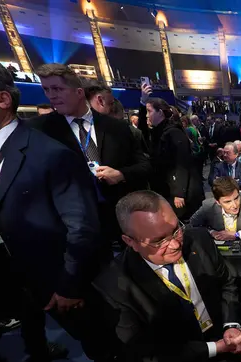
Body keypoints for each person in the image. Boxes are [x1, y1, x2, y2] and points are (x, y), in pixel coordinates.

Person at [0, 44, 109, 362]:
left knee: (96, 340)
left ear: (2, 99)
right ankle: (40, 358)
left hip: (61, 283)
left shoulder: (50, 155)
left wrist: (69, 285)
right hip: (17, 278)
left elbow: (82, 227)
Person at [93, 191, 241, 362]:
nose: (175, 244)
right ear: (130, 241)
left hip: (222, 345)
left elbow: (227, 284)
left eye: (176, 230)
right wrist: (215, 347)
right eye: (159, 241)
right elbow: (143, 352)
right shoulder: (113, 285)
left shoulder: (200, 239)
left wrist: (231, 325)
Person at [30, 63, 151, 243]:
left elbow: (145, 166)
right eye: (46, 89)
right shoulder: (39, 130)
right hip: (72, 228)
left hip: (117, 220)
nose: (51, 96)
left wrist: (121, 174)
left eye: (57, 89)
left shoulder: (116, 127)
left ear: (79, 92)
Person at [139, 84, 204, 220]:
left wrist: (179, 193)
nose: (147, 115)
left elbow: (182, 163)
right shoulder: (159, 131)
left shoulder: (174, 132)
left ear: (160, 113)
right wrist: (142, 102)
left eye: (149, 111)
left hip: (177, 190)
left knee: (178, 222)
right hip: (165, 187)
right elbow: (142, 132)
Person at [190, 177, 241, 241]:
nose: (234, 205)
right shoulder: (208, 206)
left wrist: (237, 234)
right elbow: (192, 224)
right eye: (227, 202)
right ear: (218, 202)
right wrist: (211, 232)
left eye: (236, 198)